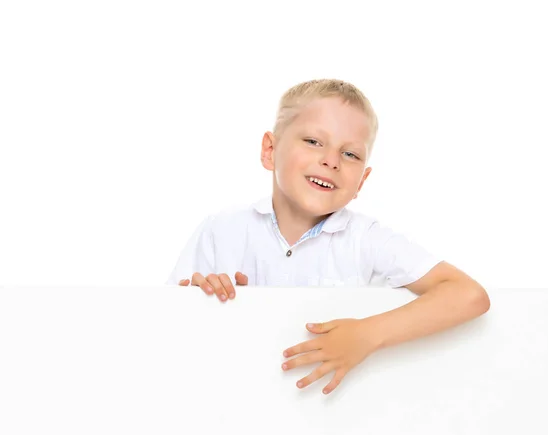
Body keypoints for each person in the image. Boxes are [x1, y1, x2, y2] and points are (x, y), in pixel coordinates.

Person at [166, 78, 490, 395]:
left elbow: (468, 295)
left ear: (361, 181)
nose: (331, 161)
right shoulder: (221, 231)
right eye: (313, 142)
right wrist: (202, 301)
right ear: (270, 150)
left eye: (350, 154)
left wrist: (367, 334)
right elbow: (168, 329)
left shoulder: (367, 240)